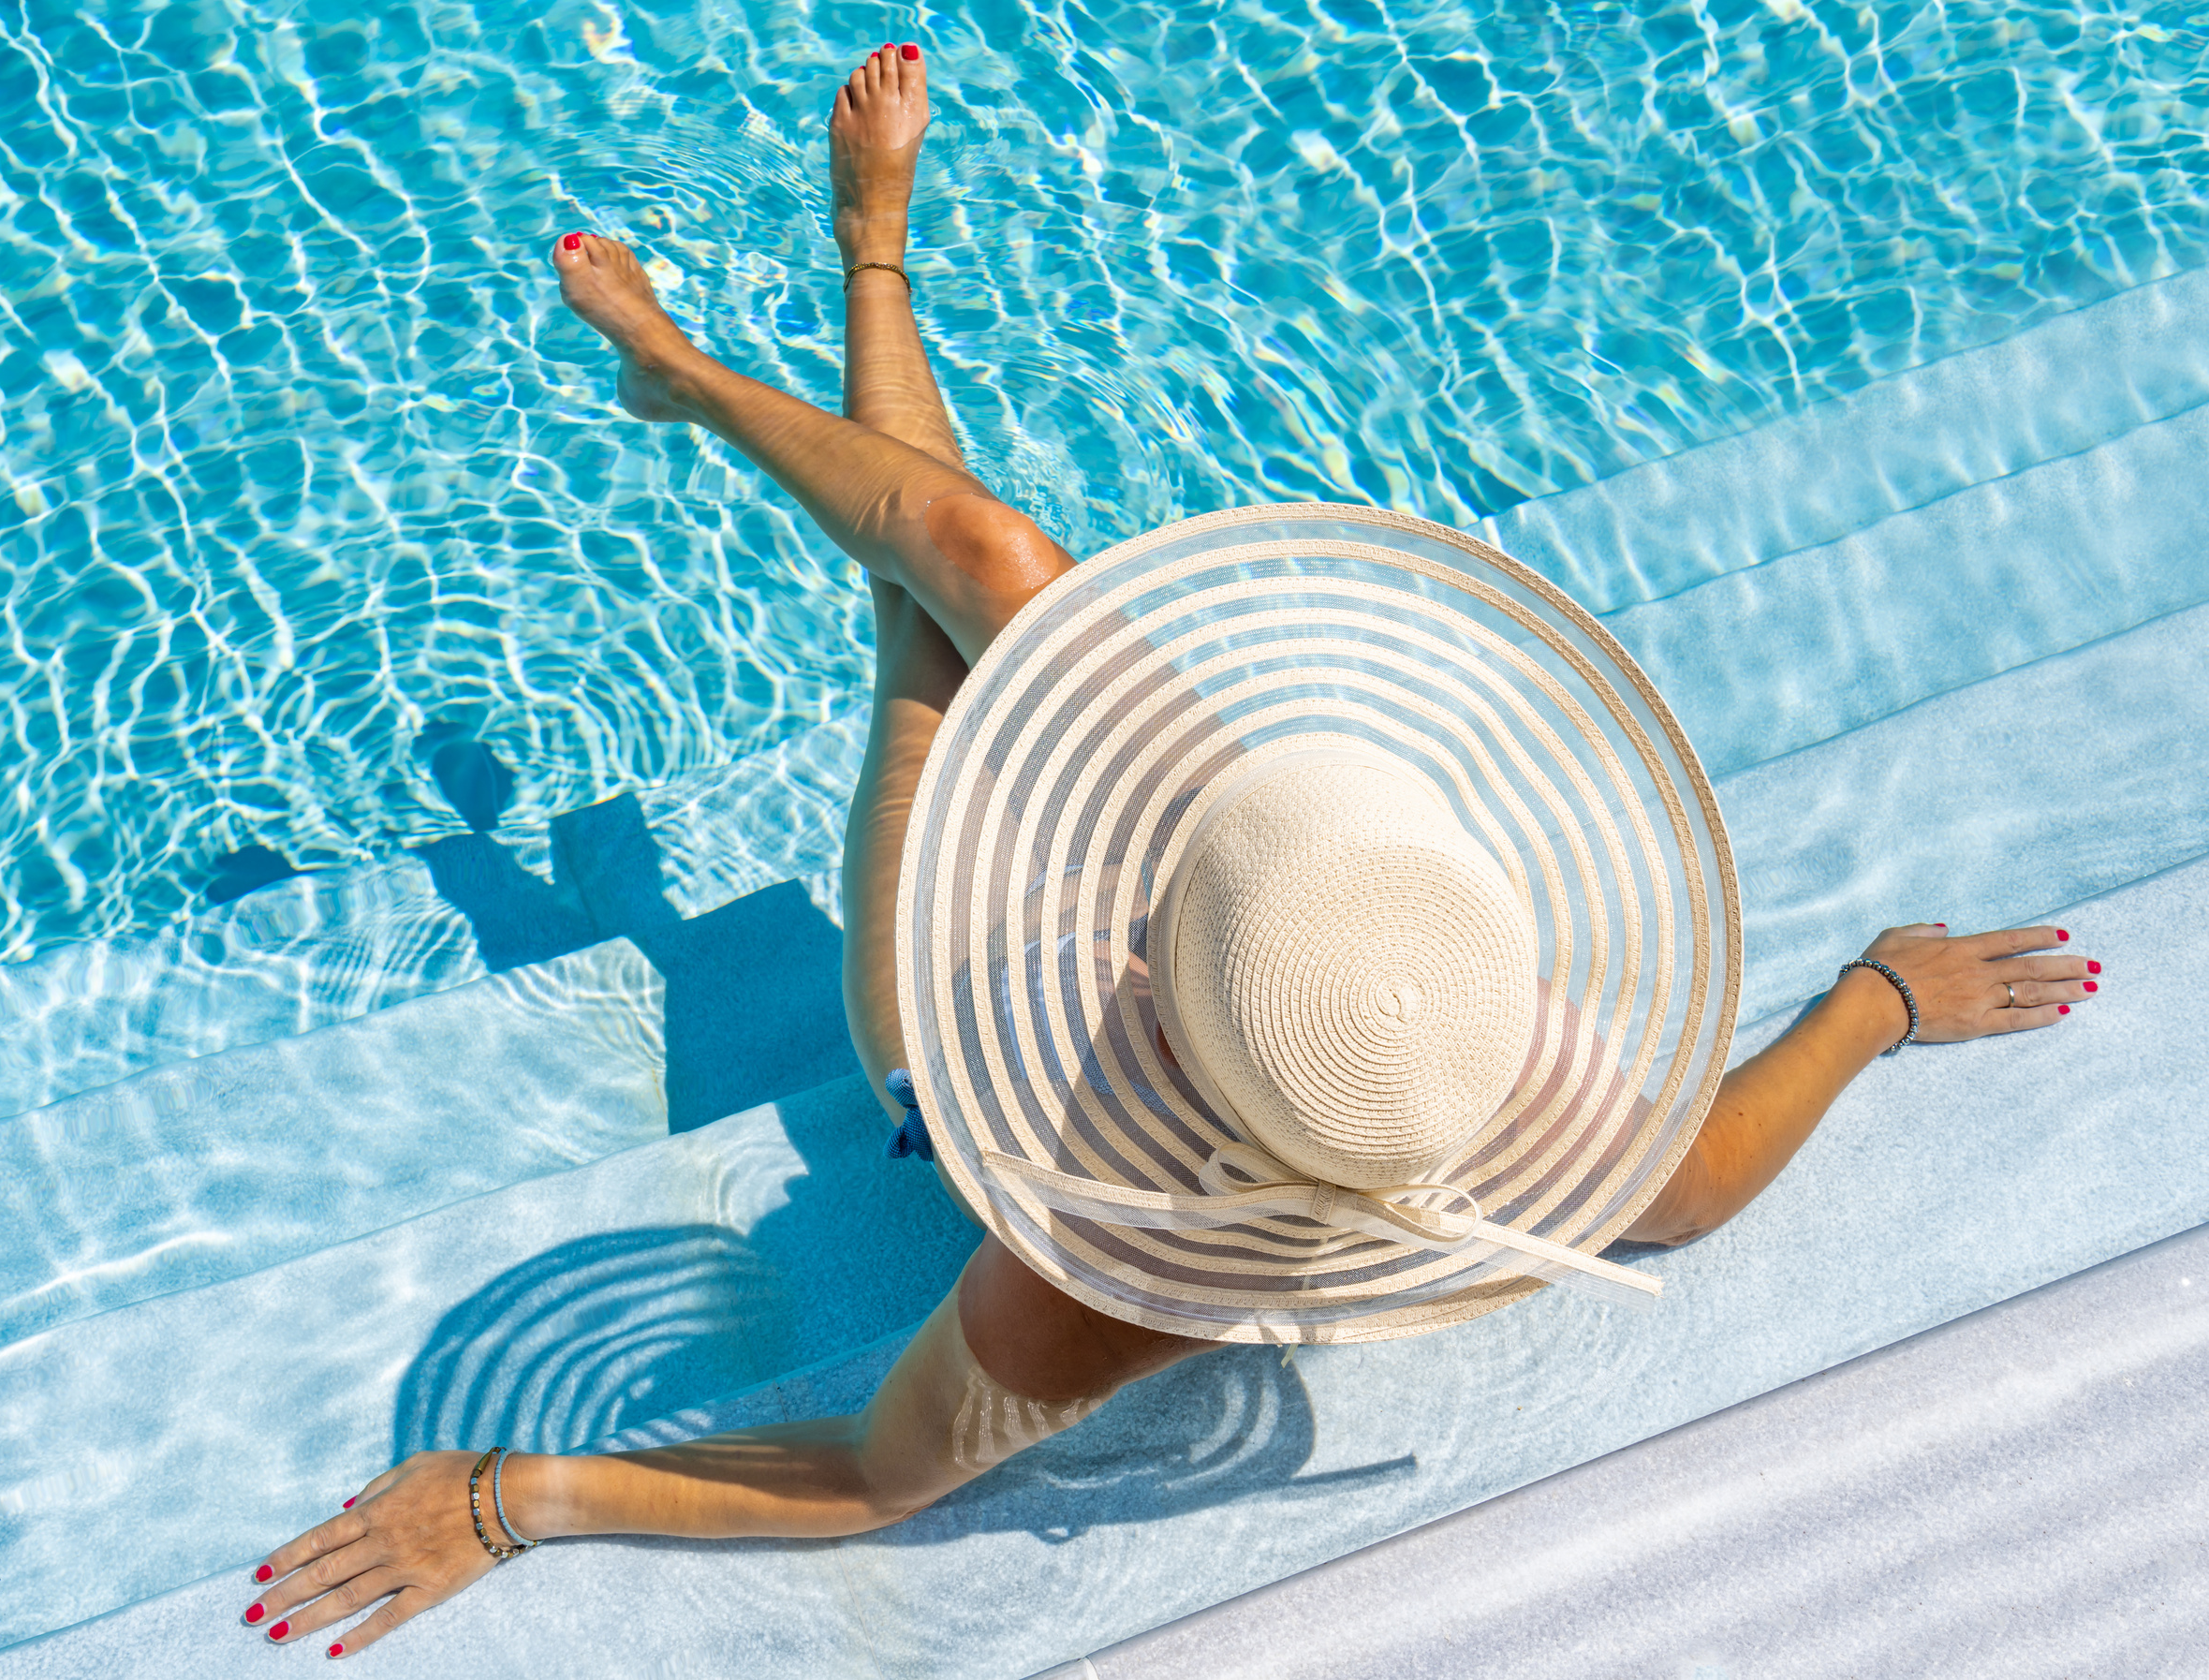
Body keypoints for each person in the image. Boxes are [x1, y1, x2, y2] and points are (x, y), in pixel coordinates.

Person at [239, 44, 2101, 1658]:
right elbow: (1683, 1185)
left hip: (962, 1035)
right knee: (981, 569)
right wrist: (1867, 1005)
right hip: (1239, 898)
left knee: (923, 655)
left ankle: (737, 339)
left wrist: (507, 1499)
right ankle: (791, 332)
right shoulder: (1439, 1015)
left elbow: (874, 1478)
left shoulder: (1107, 1270)